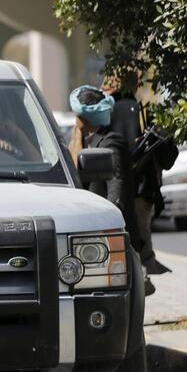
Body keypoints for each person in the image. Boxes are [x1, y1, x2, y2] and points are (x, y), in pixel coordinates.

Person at [101, 74, 174, 283]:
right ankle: (141, 276)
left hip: (116, 184)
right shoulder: (141, 110)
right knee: (139, 235)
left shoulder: (110, 110)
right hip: (142, 187)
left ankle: (136, 278)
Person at [69, 85, 141, 249]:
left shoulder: (111, 144)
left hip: (111, 239)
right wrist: (77, 137)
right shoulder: (85, 140)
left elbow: (116, 193)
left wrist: (106, 228)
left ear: (84, 117)